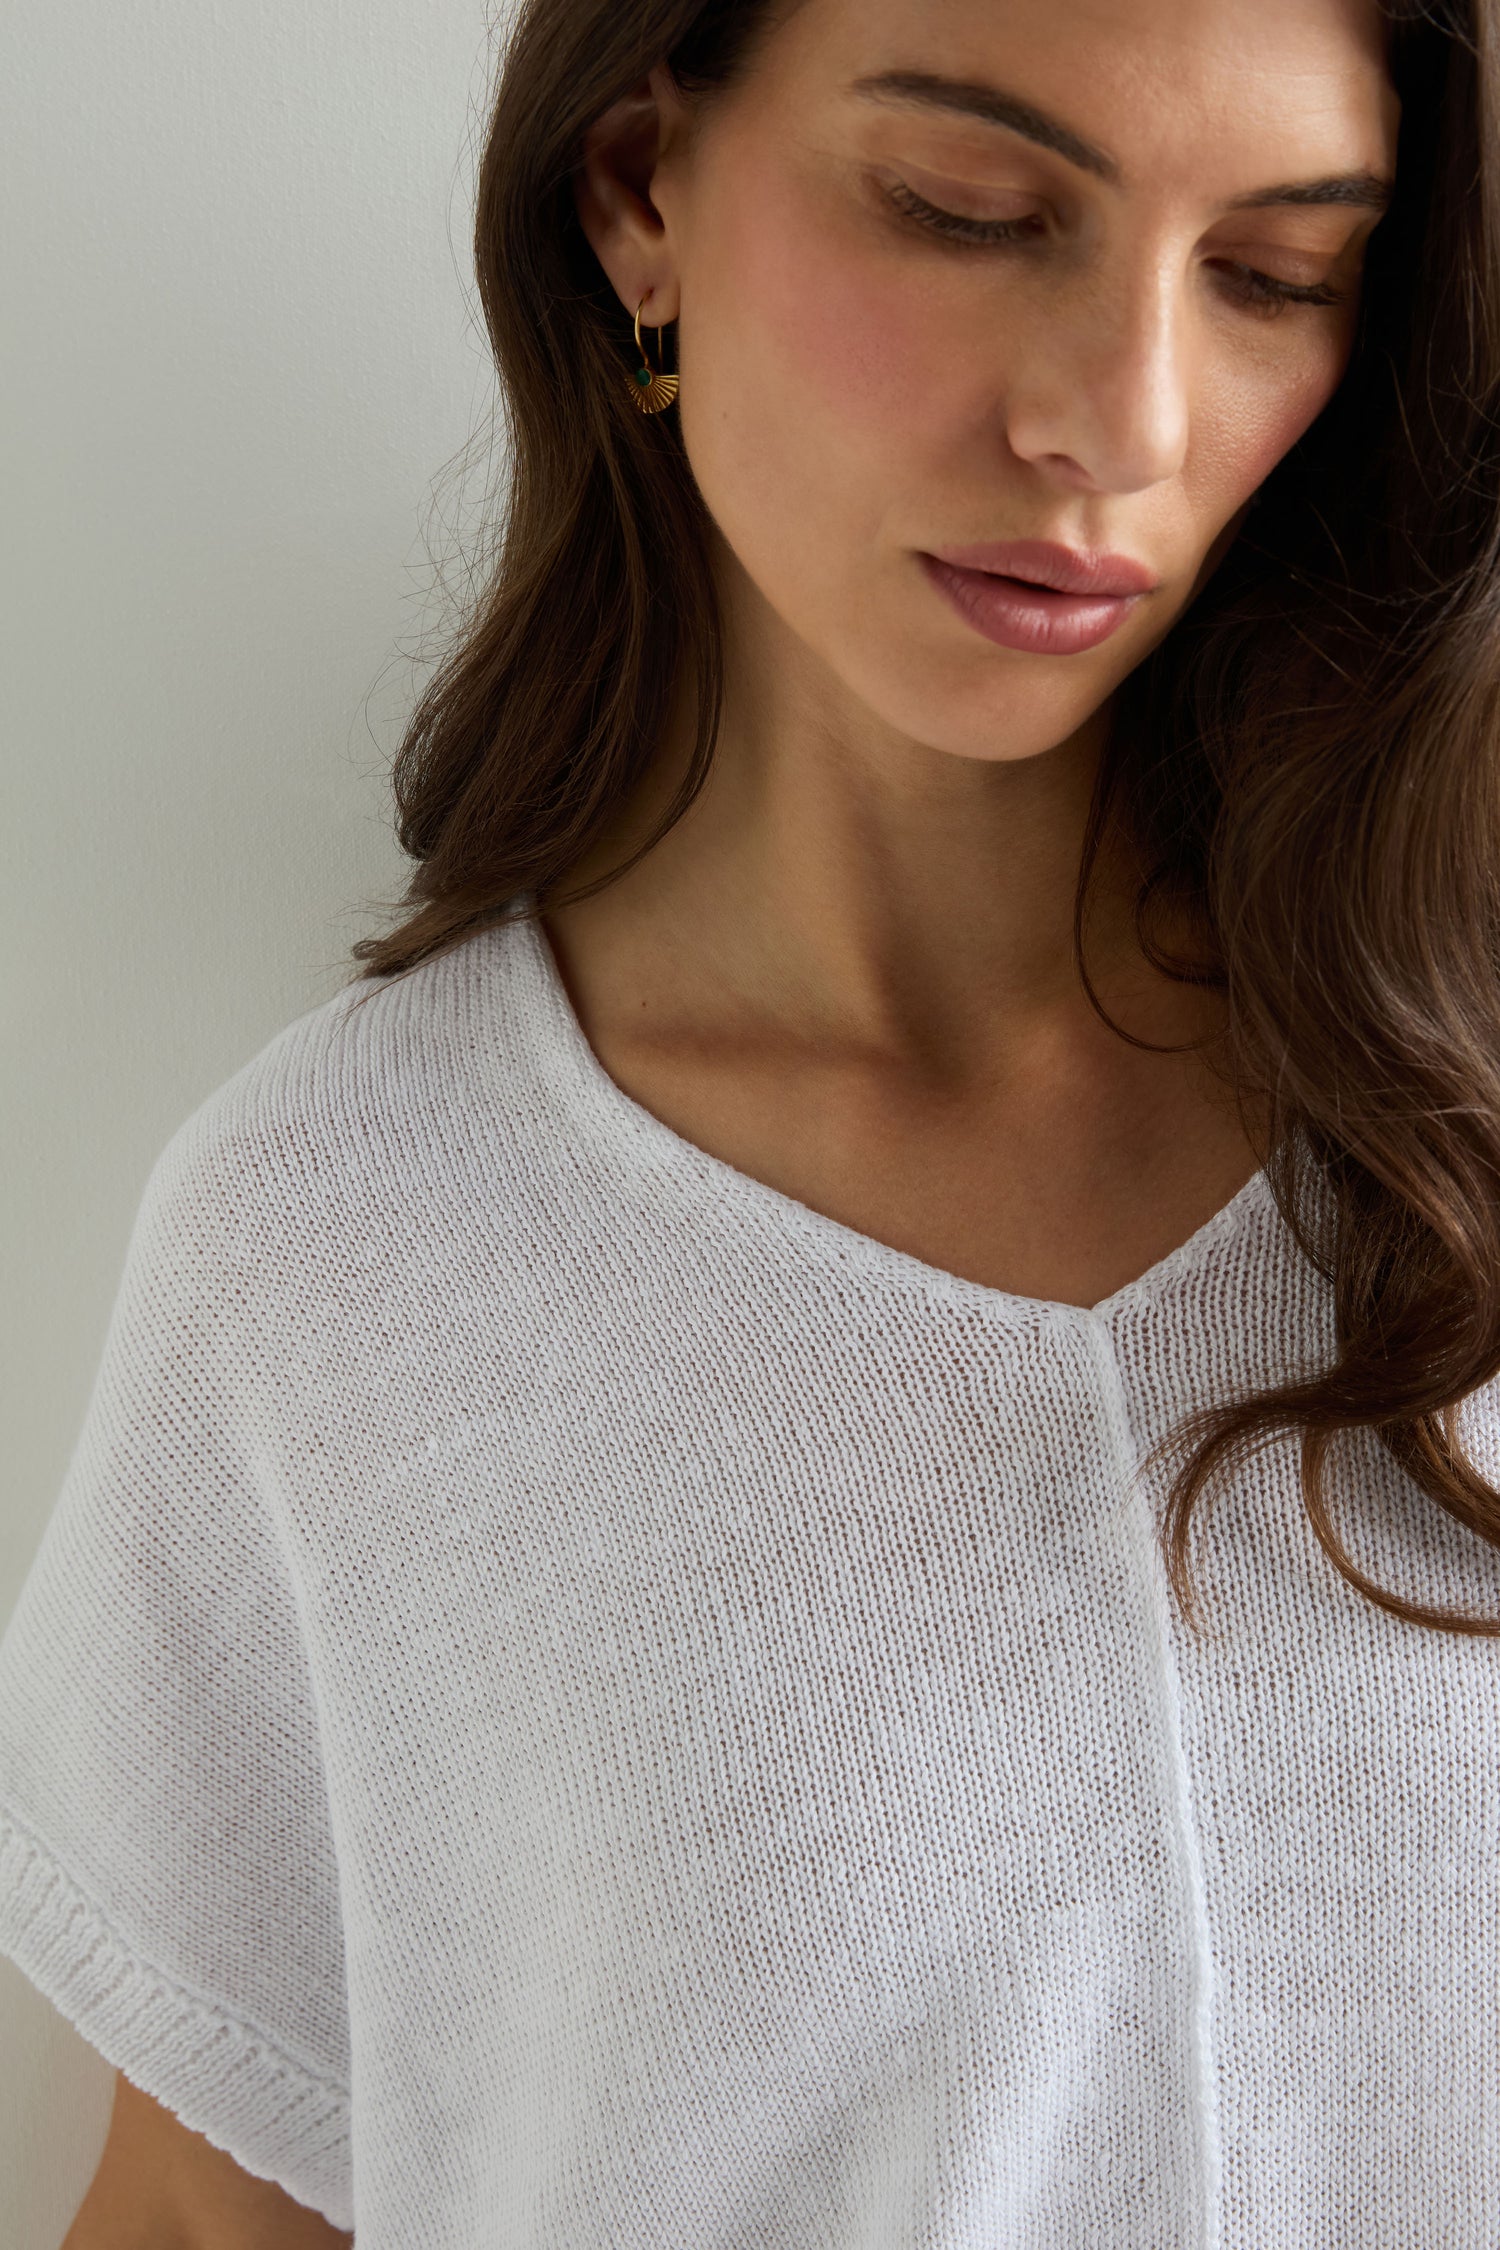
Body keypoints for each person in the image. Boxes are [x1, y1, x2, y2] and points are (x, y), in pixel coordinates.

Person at [6, 0, 1500, 2242]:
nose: (1125, 418)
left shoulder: (1453, 1091)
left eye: (1274, 274)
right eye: (973, 212)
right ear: (637, 192)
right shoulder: (341, 1258)